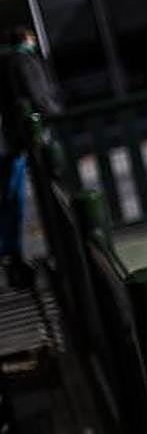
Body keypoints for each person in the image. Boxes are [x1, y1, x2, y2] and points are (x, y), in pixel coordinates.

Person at [0, 25, 62, 289]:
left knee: (11, 196)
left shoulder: (4, 62)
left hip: (9, 139)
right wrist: (56, 113)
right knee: (20, 194)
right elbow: (38, 96)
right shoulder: (24, 61)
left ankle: (12, 256)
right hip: (19, 137)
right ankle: (14, 256)